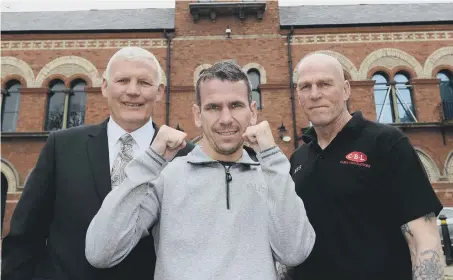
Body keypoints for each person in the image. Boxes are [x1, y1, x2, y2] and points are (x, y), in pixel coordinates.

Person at [85, 61, 316, 279]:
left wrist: (273, 159)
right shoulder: (167, 176)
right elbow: (101, 252)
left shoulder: (271, 175)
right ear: (197, 114)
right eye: (213, 107)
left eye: (235, 105)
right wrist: (150, 160)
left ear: (252, 111)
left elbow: (294, 252)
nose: (226, 119)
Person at [1, 47, 194, 280]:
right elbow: (24, 239)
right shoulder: (62, 147)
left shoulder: (185, 156)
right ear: (104, 86)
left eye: (144, 82)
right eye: (123, 80)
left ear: (160, 91)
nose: (133, 91)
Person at [288, 53, 444, 279]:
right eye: (305, 87)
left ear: (346, 90)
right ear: (298, 96)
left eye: (324, 84)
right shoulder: (298, 159)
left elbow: (423, 238)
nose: (315, 94)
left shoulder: (386, 143)